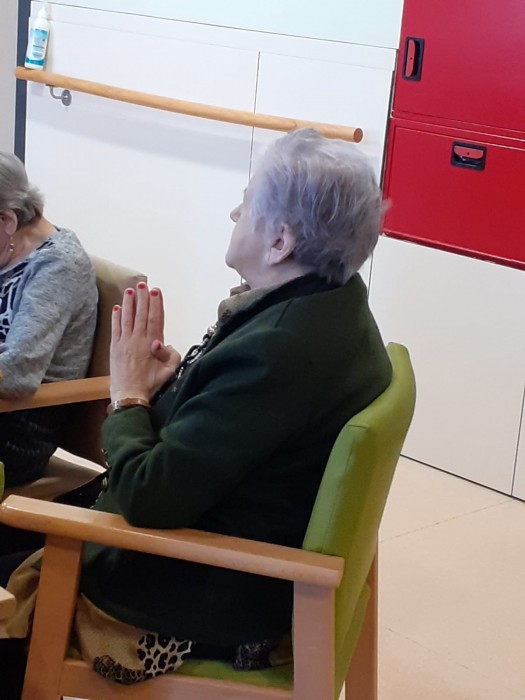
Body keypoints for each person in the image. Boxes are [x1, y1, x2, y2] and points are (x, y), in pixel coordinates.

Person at [0, 128, 392, 690]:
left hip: (193, 597)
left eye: (248, 203)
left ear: (280, 242)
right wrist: (167, 388)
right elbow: (227, 441)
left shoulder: (277, 350)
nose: (235, 212)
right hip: (227, 564)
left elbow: (147, 496)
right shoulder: (333, 308)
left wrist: (129, 397)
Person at [0, 152, 98, 489]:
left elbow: (16, 373)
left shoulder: (58, 267)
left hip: (16, 431)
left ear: (7, 220)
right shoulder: (7, 248)